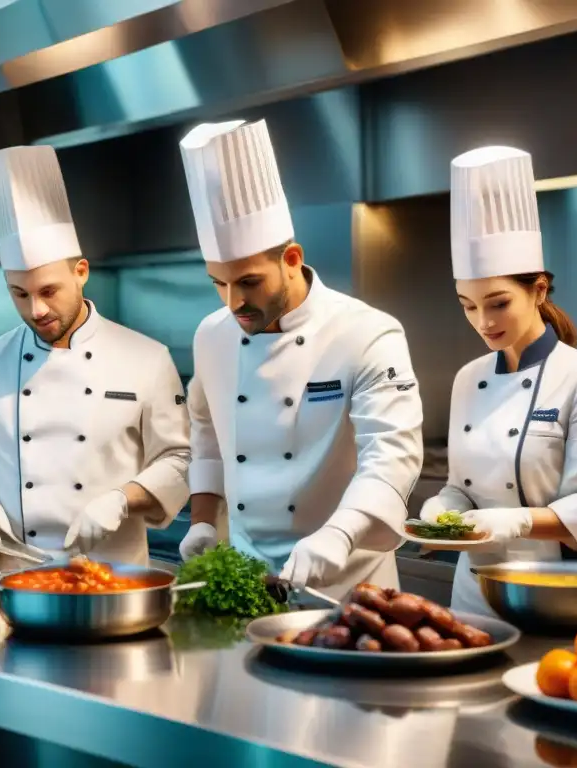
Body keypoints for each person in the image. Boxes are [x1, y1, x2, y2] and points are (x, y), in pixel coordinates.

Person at [176, 119, 424, 597]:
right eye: (217, 283)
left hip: (352, 584)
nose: (232, 302)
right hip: (247, 580)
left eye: (249, 282)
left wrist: (340, 532)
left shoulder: (368, 332)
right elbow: (205, 433)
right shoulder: (212, 335)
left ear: (291, 258)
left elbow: (392, 455)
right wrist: (203, 520)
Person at [0, 145, 191, 567]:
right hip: (17, 575)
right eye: (19, 294)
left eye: (48, 291)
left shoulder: (147, 358)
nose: (35, 310)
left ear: (81, 272)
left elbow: (179, 459)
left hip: (115, 577)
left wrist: (121, 500)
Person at [420, 146, 577, 615]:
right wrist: (442, 506)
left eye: (498, 303)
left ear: (538, 289)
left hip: (554, 589)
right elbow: (463, 486)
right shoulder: (467, 378)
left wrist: (515, 522)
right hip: (472, 589)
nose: (483, 322)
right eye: (467, 306)